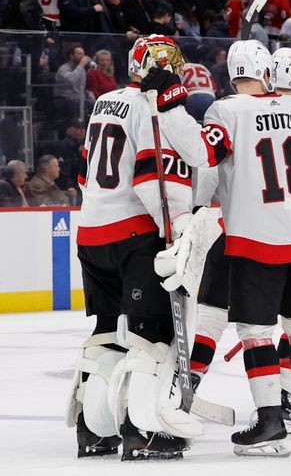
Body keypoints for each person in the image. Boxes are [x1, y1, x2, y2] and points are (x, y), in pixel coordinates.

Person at [154, 40, 291, 456]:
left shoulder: (226, 111)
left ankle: (270, 419)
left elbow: (201, 155)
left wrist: (170, 107)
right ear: (269, 75)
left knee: (254, 334)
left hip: (254, 241)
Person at [66, 35, 202, 461]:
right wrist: (177, 232)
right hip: (133, 236)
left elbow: (86, 175)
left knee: (107, 330)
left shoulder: (104, 101)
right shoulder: (151, 106)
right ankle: (143, 432)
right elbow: (150, 179)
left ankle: (94, 430)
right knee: (149, 335)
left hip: (91, 232)